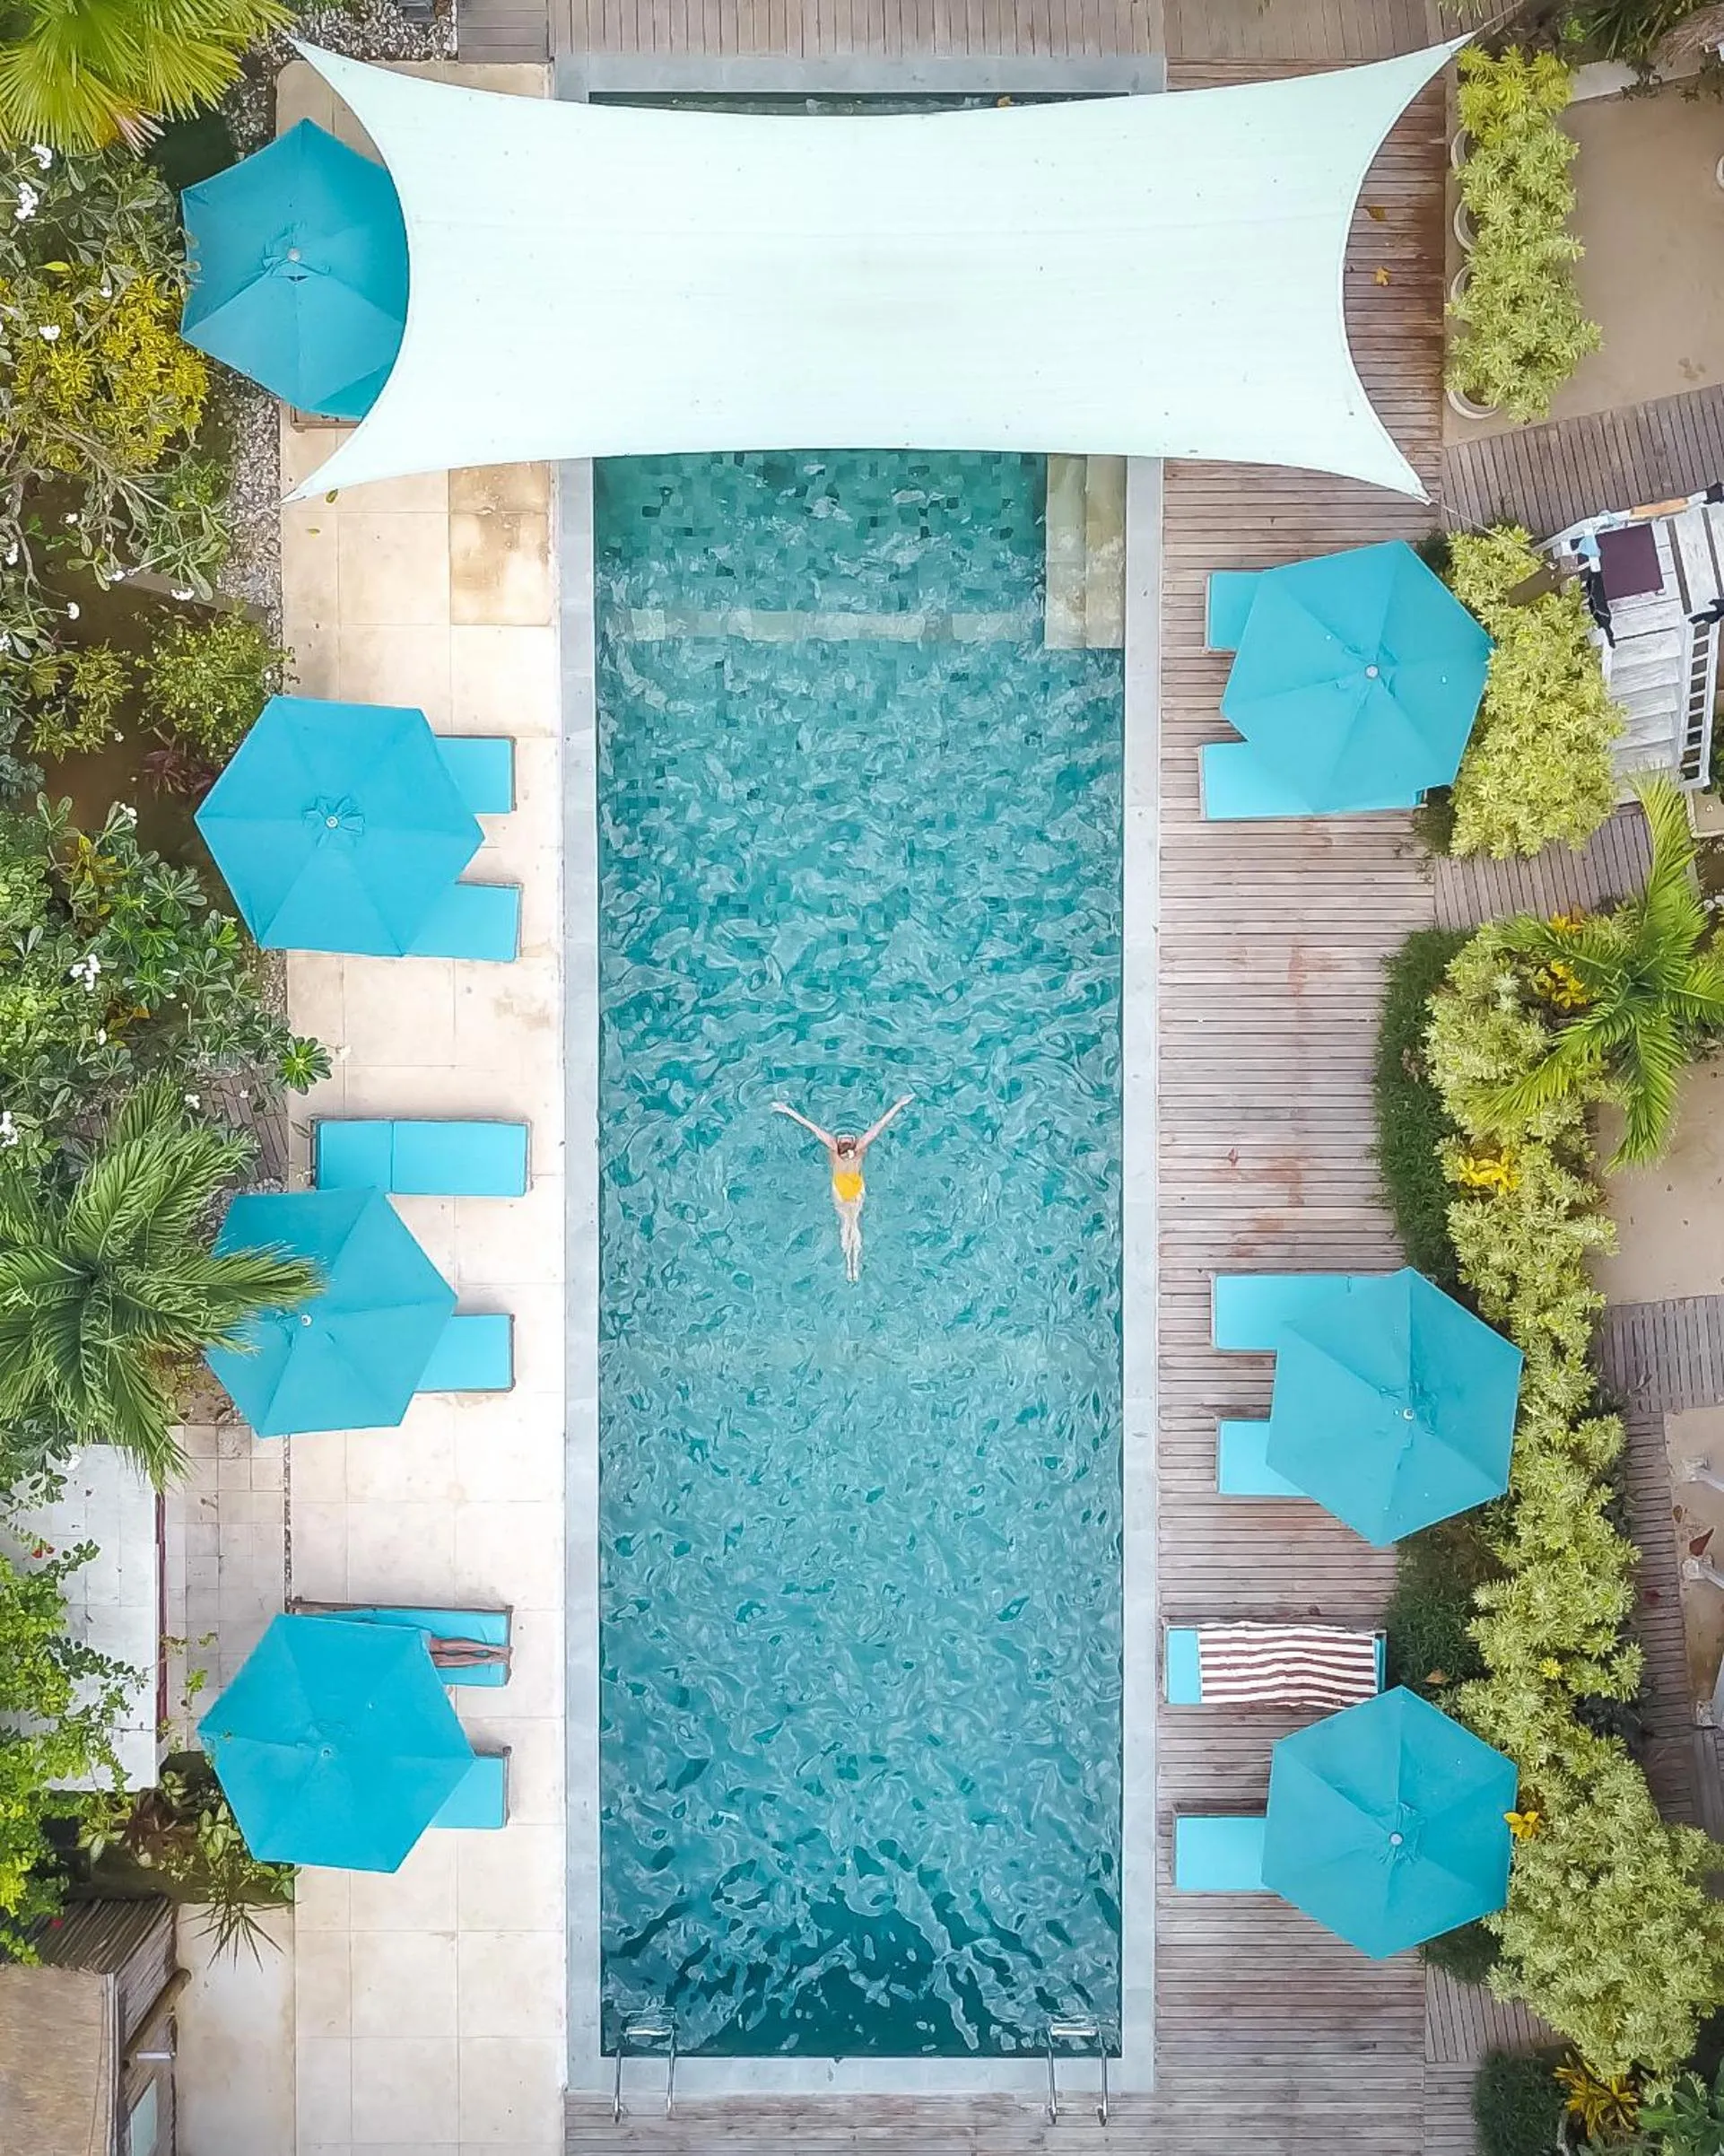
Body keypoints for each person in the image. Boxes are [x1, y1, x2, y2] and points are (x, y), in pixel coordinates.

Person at [771, 1094, 913, 1283]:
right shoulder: (858, 1150)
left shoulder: (836, 1149)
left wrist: (787, 1110)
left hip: (843, 1190)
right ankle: (852, 1265)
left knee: (848, 1223)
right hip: (853, 1190)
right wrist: (898, 1104)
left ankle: (850, 1264)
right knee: (852, 1223)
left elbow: (813, 1128)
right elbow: (877, 1128)